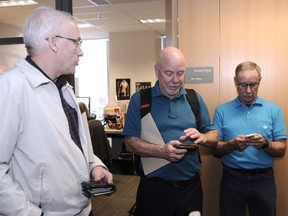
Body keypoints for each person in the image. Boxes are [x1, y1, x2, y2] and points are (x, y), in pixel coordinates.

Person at [0, 7, 113, 216]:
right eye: (76, 42)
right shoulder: (10, 88)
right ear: (53, 42)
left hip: (82, 209)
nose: (81, 51)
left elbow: (76, 147)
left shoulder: (64, 89)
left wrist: (94, 166)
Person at [122, 46, 218, 216]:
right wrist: (161, 151)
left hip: (190, 188)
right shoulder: (140, 99)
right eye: (169, 73)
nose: (175, 80)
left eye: (180, 73)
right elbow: (130, 142)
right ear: (156, 71)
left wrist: (203, 137)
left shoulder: (194, 99)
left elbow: (214, 136)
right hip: (153, 189)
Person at [213, 61, 287, 216]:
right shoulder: (222, 110)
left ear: (260, 81)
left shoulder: (273, 110)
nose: (248, 90)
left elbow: (281, 149)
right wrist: (232, 145)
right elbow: (215, 150)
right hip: (232, 179)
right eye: (242, 85)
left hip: (264, 179)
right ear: (235, 82)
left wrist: (264, 144)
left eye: (253, 85)